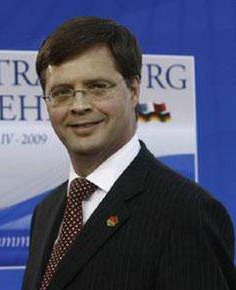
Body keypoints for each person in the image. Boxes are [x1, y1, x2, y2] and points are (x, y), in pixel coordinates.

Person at [22, 16, 236, 290]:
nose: (79, 106)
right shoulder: (48, 211)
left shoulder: (186, 212)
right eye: (61, 92)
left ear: (133, 91)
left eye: (98, 87)